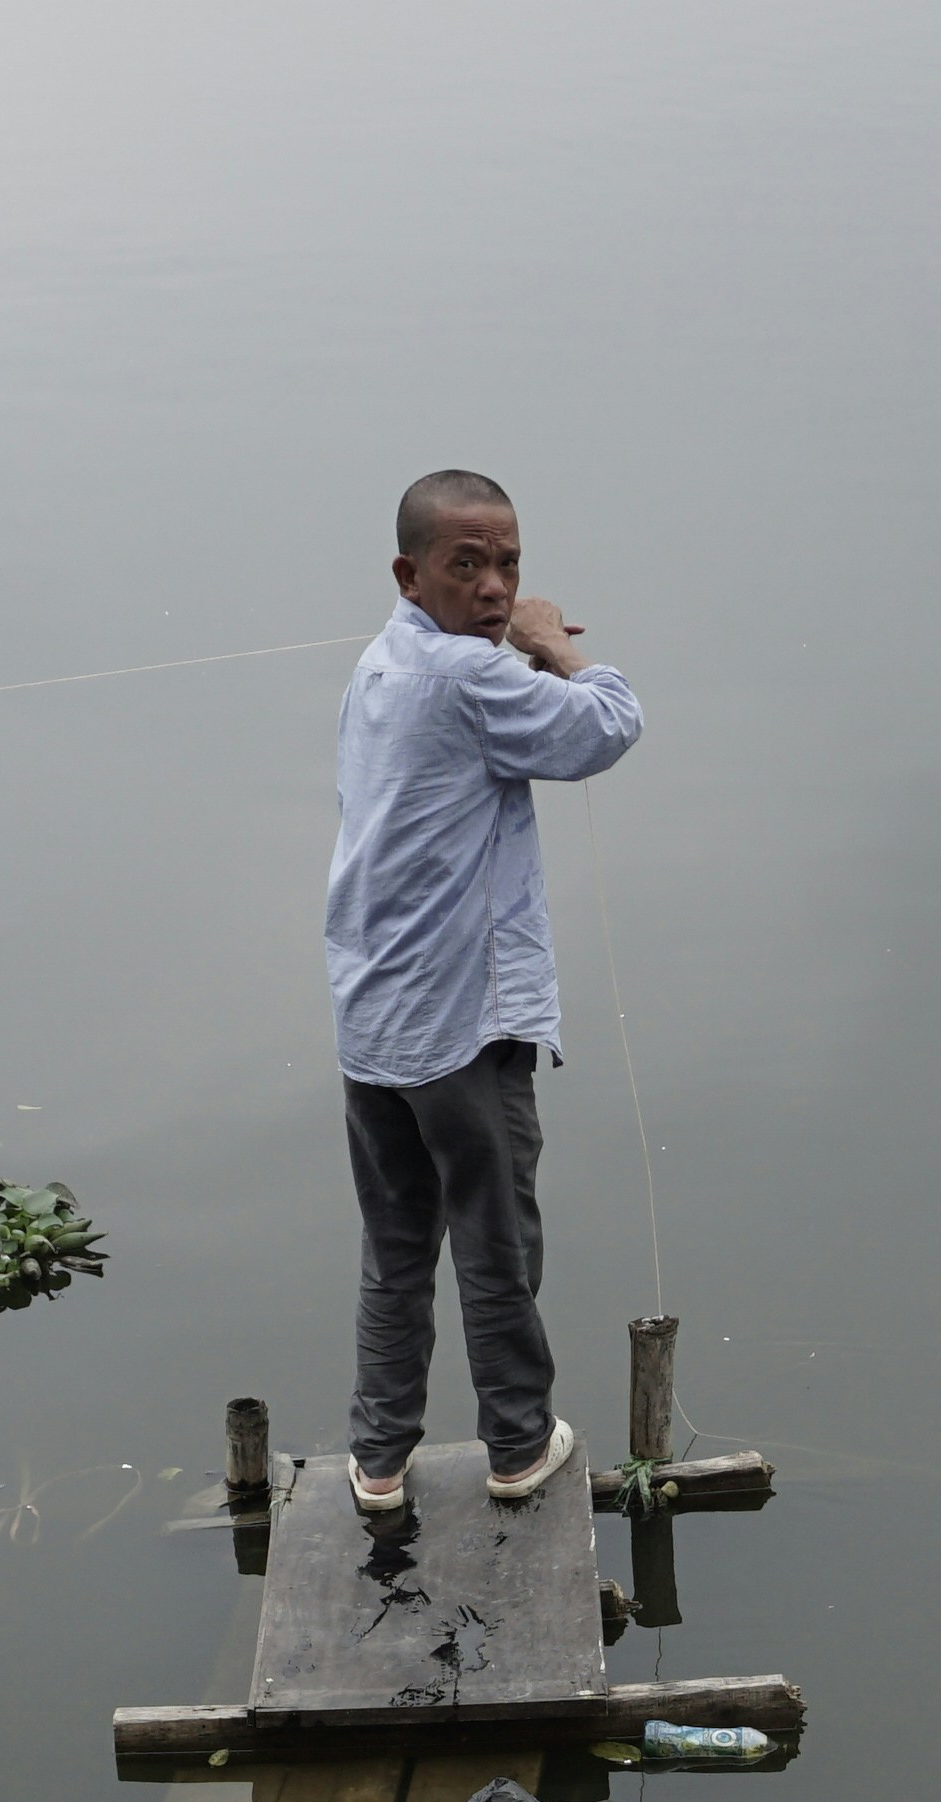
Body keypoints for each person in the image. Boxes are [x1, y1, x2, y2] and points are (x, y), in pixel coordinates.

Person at [322, 468, 644, 1514]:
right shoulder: (472, 678)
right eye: (467, 565)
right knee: (496, 1239)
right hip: (460, 1023)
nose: (495, 586)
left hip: (373, 1017)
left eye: (508, 564)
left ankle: (379, 1459)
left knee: (396, 1247)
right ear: (410, 573)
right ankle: (517, 1444)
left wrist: (513, 650)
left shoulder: (381, 664)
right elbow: (605, 726)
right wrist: (555, 646)